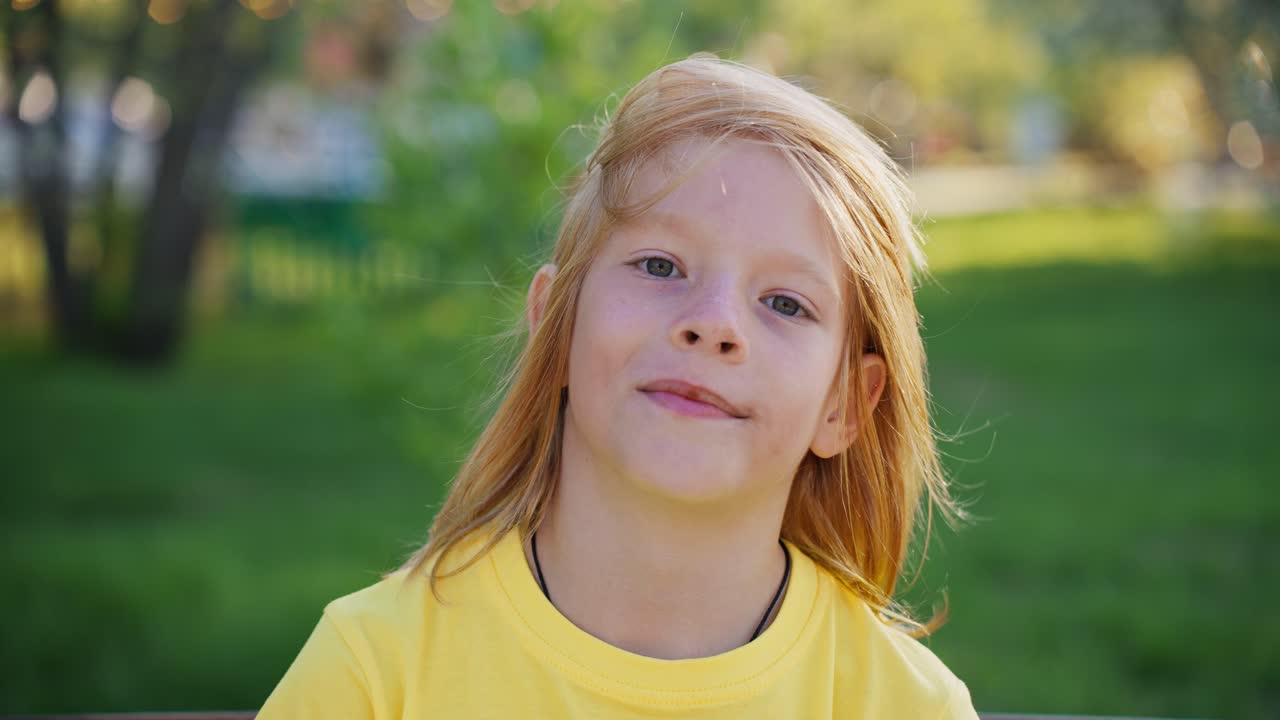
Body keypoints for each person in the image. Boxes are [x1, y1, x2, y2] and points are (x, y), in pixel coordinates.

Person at [258, 53, 978, 718]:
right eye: (660, 266)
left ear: (845, 404)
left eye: (786, 303)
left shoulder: (904, 705)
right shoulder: (376, 671)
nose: (714, 324)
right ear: (556, 328)